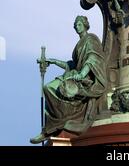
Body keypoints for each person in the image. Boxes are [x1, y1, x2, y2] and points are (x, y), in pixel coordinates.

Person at [30, 15, 107, 144]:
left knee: (51, 88)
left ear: (85, 25)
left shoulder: (91, 39)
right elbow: (70, 65)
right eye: (76, 25)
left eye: (79, 24)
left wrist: (82, 74)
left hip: (84, 77)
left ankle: (52, 127)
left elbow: (92, 58)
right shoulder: (79, 44)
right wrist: (53, 61)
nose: (77, 27)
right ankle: (54, 125)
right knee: (48, 88)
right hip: (74, 74)